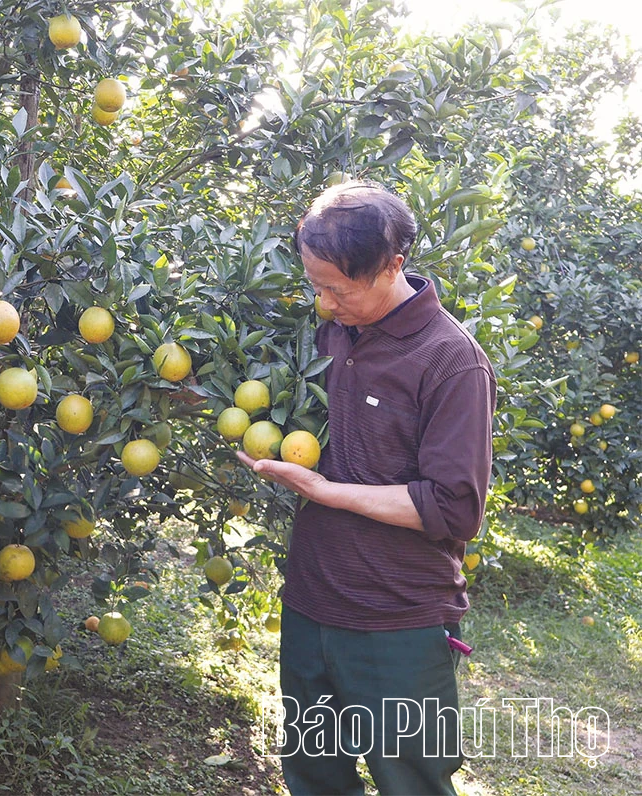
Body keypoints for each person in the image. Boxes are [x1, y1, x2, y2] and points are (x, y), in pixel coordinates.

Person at [239, 181, 495, 795]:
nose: (324, 303)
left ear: (392, 266)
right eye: (315, 285)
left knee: (412, 783)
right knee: (313, 776)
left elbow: (455, 507)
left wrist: (327, 490)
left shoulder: (451, 361)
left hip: (398, 622)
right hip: (311, 604)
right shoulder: (325, 333)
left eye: (339, 289)